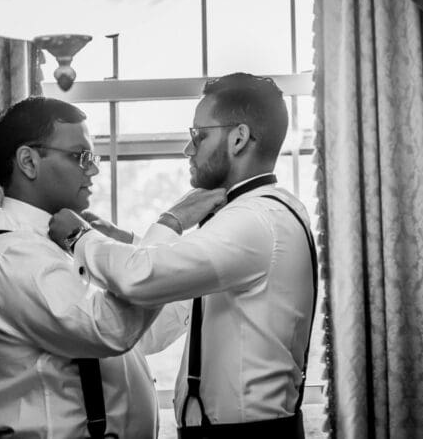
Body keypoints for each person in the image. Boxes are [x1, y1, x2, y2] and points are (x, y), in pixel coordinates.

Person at [48, 72, 316, 437]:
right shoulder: (246, 219)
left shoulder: (255, 220)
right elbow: (153, 332)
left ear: (238, 139)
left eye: (199, 135)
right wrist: (128, 241)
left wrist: (80, 237)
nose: (189, 150)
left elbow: (141, 278)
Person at [0, 96, 222, 437]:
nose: (94, 169)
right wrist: (170, 224)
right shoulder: (8, 255)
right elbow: (109, 329)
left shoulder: (63, 242)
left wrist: (201, 271)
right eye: (80, 157)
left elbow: (143, 334)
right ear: (28, 162)